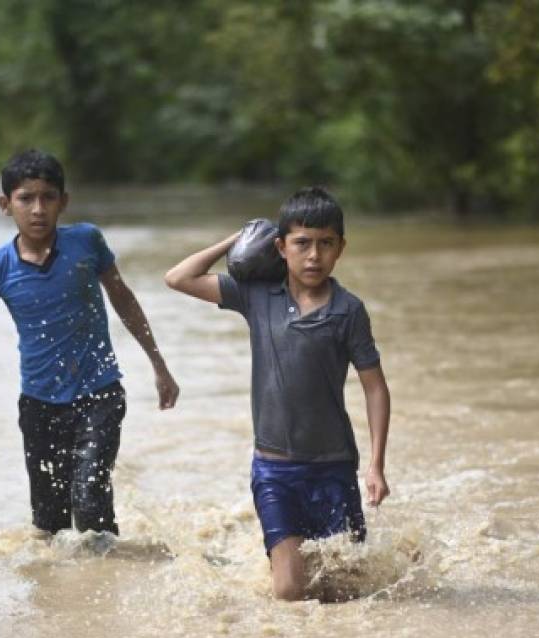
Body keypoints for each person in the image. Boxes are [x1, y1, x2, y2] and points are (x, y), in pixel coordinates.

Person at [164, 186, 390, 601]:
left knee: (344, 589)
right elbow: (179, 277)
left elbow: (375, 388)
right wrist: (240, 237)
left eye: (326, 244)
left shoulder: (348, 310)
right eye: (301, 244)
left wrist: (375, 466)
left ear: (341, 248)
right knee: (288, 591)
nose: (314, 256)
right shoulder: (256, 296)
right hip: (275, 470)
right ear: (280, 247)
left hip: (334, 467)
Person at [0, 149, 179, 538]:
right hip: (39, 406)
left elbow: (124, 300)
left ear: (64, 201)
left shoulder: (86, 243)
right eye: (25, 198)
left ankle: (106, 583)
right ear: (5, 205)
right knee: (49, 525)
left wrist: (159, 367)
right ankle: (60, 595)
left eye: (48, 197)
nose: (38, 209)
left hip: (100, 394)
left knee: (90, 501)